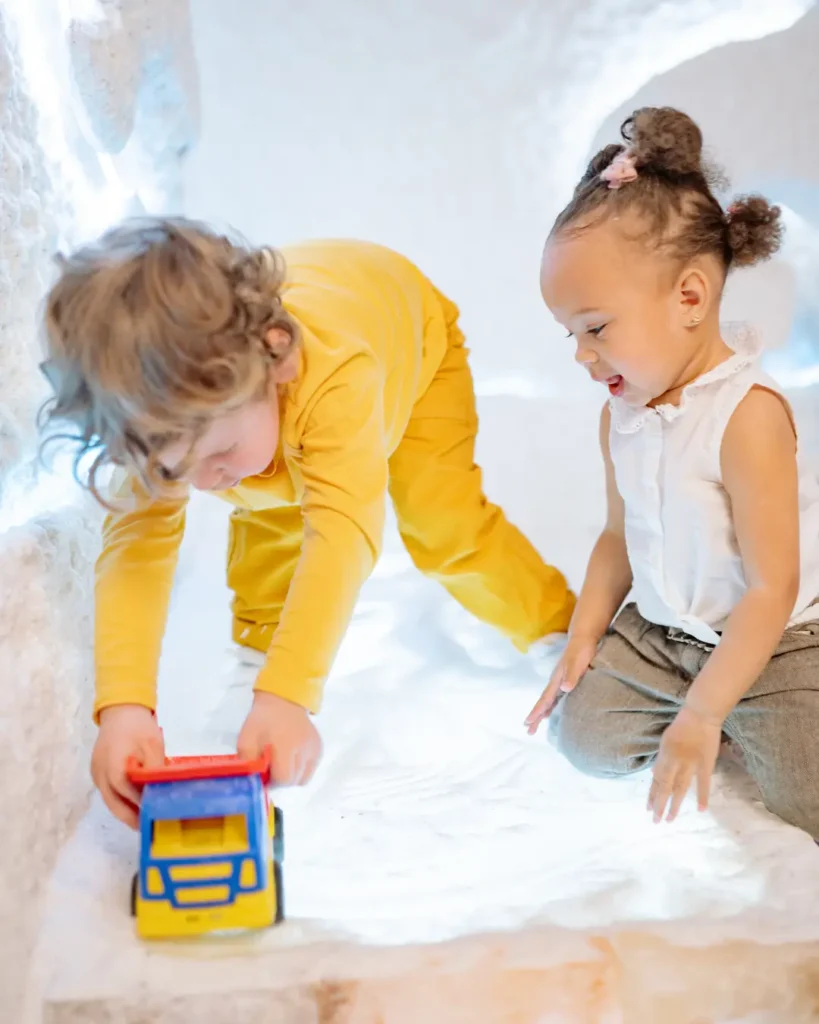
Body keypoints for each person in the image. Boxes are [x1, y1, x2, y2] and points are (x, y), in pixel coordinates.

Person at [41, 221, 575, 828]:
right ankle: (258, 657)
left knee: (444, 529)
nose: (205, 483)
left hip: (412, 345)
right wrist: (124, 707)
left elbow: (342, 535)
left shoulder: (334, 378)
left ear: (277, 358)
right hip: (300, 370)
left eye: (220, 453)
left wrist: (288, 695)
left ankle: (559, 634)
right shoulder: (153, 411)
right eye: (174, 469)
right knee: (268, 513)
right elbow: (136, 554)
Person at [525, 106, 819, 838]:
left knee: (809, 792)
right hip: (664, 630)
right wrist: (584, 638)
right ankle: (710, 708)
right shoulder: (621, 415)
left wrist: (703, 714)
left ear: (688, 298)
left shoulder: (746, 417)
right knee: (584, 742)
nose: (581, 355)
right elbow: (617, 536)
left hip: (774, 633)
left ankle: (734, 710)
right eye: (571, 334)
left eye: (596, 328)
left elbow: (771, 588)